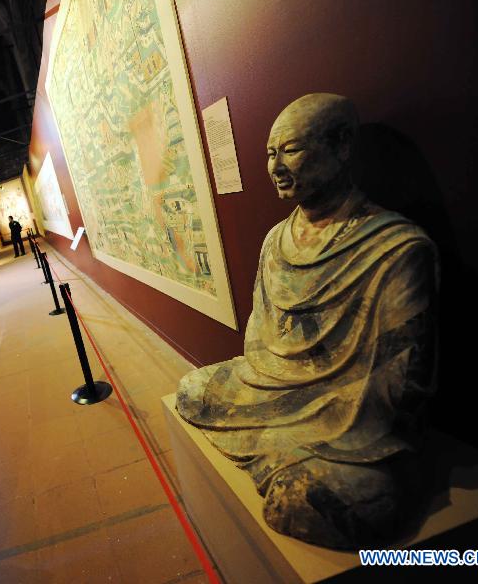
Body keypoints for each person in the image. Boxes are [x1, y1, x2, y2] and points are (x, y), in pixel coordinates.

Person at [176, 94, 438, 549]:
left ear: (341, 146)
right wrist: (280, 386)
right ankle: (280, 450)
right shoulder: (275, 240)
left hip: (343, 414)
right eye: (270, 154)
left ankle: (285, 454)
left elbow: (403, 385)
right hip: (273, 388)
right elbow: (257, 341)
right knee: (192, 389)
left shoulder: (396, 248)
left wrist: (320, 400)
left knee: (317, 499)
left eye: (291, 150)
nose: (276, 166)